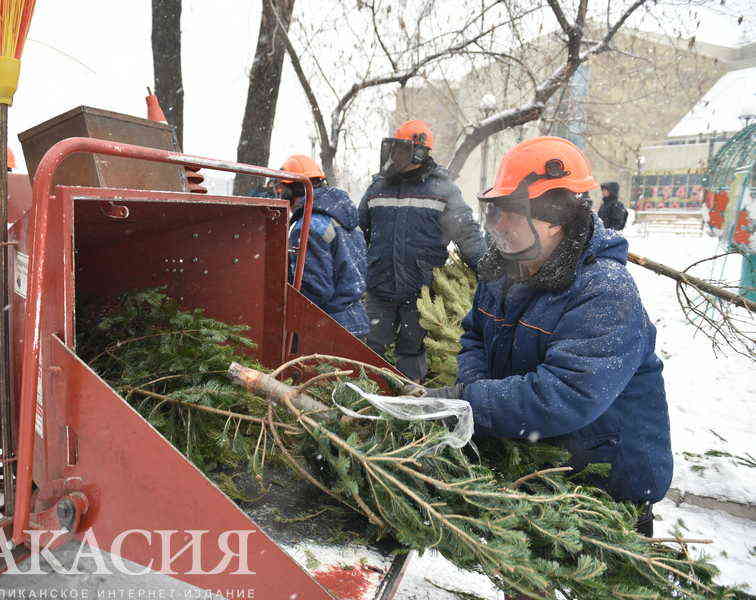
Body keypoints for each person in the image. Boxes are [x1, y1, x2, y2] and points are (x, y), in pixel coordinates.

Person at [420, 137, 672, 538]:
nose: (498, 226)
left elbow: (565, 394)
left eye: (511, 215)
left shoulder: (605, 290)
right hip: (534, 471)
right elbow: (475, 337)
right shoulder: (503, 273)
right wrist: (479, 387)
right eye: (495, 212)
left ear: (556, 219)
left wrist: (468, 402)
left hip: (605, 487)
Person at [358, 120, 484, 382]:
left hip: (420, 291)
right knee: (367, 350)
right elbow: (360, 232)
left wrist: (487, 269)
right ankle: (362, 401)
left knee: (411, 353)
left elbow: (467, 233)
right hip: (379, 287)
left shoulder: (442, 189)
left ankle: (408, 406)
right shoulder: (378, 187)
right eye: (393, 148)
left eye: (401, 149)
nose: (395, 155)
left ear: (419, 152)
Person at [278, 154, 370, 338]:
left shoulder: (307, 228)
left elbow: (314, 291)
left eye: (281, 190)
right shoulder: (342, 217)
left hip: (328, 327)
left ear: (290, 191)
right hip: (355, 321)